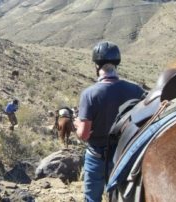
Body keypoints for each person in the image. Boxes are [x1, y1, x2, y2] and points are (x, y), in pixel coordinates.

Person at [74, 41, 145, 202]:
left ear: (96, 66)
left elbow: (84, 135)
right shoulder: (136, 90)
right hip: (126, 157)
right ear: (116, 65)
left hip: (97, 157)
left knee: (92, 198)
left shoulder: (89, 94)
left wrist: (78, 125)